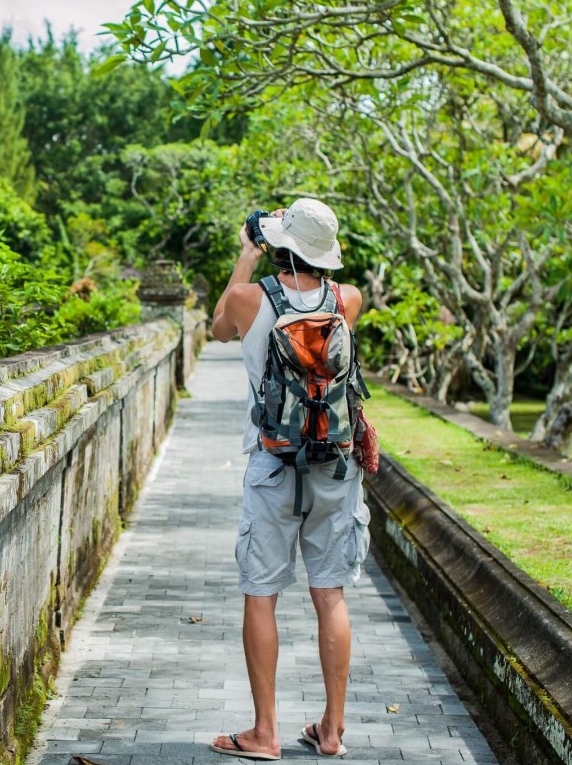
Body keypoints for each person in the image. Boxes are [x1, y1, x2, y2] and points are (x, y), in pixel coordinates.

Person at [208, 198, 367, 760]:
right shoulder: (347, 300)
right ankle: (332, 730)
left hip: (273, 466)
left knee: (261, 595)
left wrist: (248, 253)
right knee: (330, 594)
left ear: (281, 244)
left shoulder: (249, 301)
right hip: (334, 466)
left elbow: (217, 328)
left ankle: (265, 733)